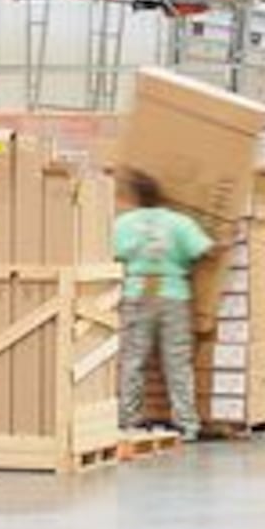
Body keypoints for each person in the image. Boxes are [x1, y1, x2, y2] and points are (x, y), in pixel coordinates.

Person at [112, 169, 214, 440]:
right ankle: (187, 424)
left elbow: (114, 253)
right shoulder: (179, 222)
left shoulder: (124, 223)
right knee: (177, 361)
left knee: (134, 359)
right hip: (173, 293)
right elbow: (203, 249)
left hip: (138, 291)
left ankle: (128, 421)